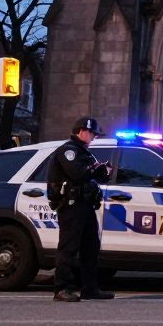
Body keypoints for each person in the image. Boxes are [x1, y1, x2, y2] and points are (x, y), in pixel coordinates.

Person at [47, 116, 114, 302]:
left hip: (85, 205)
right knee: (68, 247)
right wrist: (94, 170)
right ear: (82, 131)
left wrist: (102, 172)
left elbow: (91, 174)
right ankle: (62, 288)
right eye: (92, 133)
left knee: (90, 247)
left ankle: (90, 288)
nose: (94, 137)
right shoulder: (68, 151)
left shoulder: (84, 152)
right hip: (71, 205)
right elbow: (77, 173)